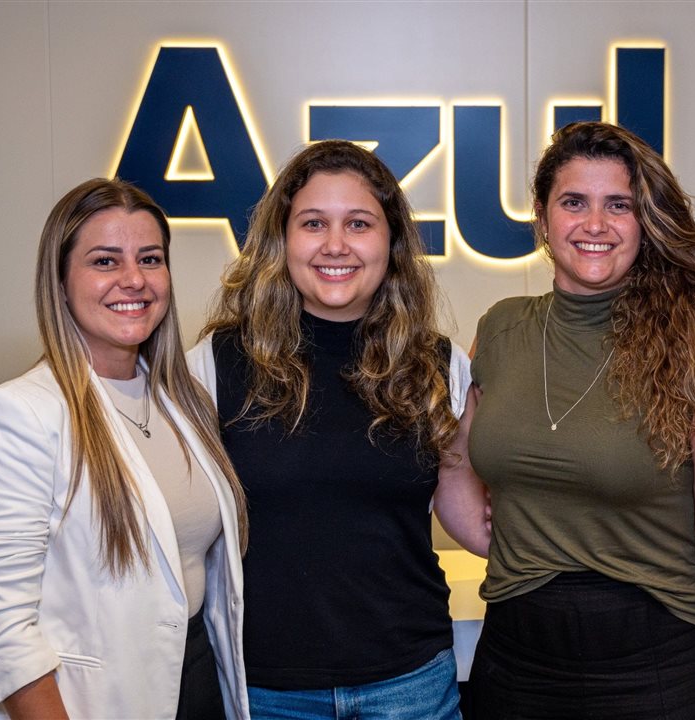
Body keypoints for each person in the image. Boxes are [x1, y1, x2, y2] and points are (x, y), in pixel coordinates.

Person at [463, 121, 695, 719]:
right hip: (514, 664)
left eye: (619, 206)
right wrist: (509, 536)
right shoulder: (502, 328)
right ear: (543, 218)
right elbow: (459, 461)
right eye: (573, 202)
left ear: (645, 222)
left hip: (657, 669)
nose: (594, 225)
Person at [187, 140, 489, 719]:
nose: (335, 244)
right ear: (282, 239)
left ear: (392, 241)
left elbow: (463, 502)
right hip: (267, 690)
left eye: (358, 223)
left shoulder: (438, 364)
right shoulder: (215, 365)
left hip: (411, 684)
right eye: (313, 223)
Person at [0, 178, 250, 719]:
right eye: (105, 261)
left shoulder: (187, 404)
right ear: (61, 281)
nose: (134, 280)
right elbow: (3, 633)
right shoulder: (18, 415)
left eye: (151, 259)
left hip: (197, 682)